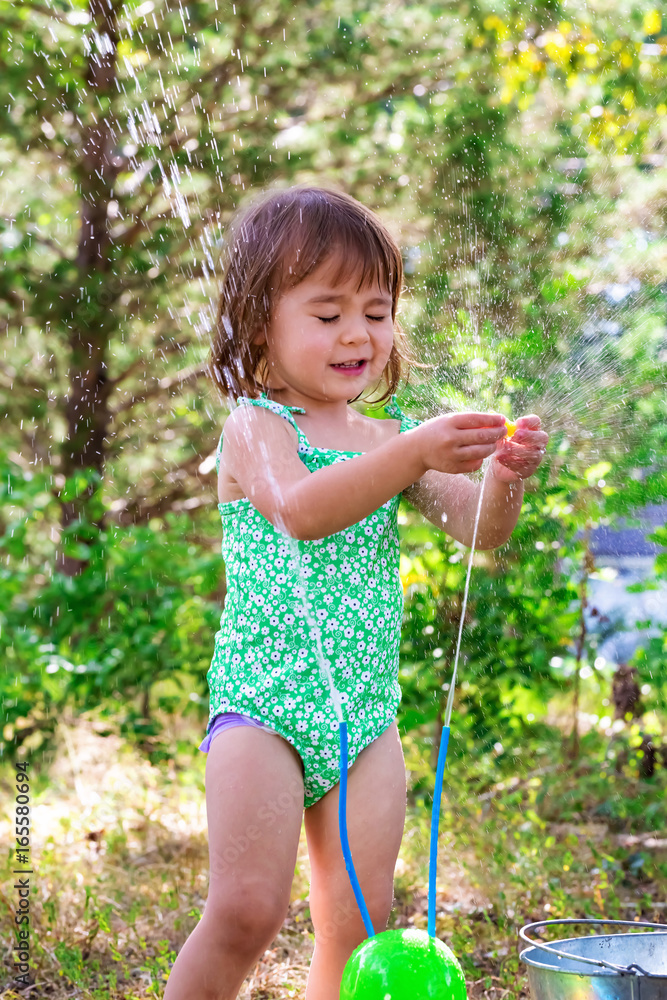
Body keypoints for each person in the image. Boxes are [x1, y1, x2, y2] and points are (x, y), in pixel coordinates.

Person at [164, 185, 548, 1000]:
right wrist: (413, 454)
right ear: (259, 321)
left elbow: (478, 529)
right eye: (328, 310)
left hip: (364, 720)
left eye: (375, 311)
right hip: (263, 708)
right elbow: (303, 511)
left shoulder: (384, 435)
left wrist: (502, 476)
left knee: (359, 925)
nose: (357, 334)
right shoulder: (257, 427)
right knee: (245, 910)